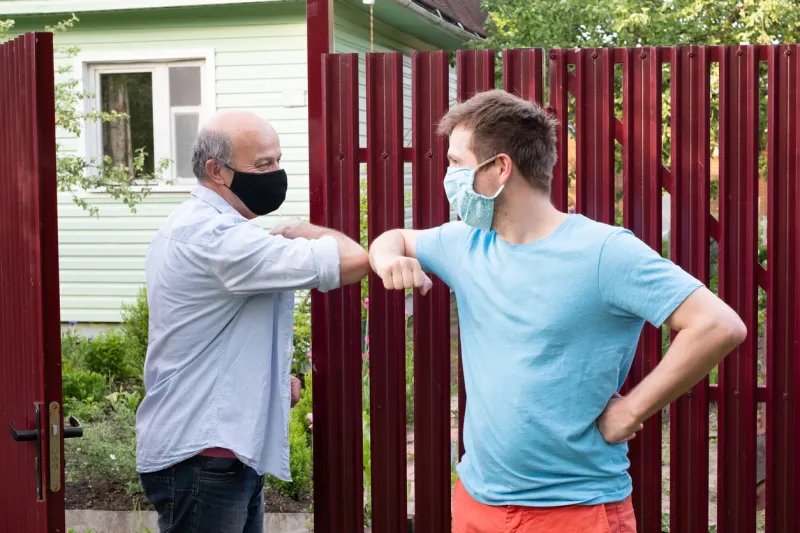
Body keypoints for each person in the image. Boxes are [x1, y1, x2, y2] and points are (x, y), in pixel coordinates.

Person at [368, 90, 746, 533]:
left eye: (456, 163)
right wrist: (388, 258)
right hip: (477, 503)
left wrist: (632, 410)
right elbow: (393, 236)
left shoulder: (604, 252)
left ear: (500, 169)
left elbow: (719, 324)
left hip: (575, 511)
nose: (448, 176)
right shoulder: (465, 243)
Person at [136, 110, 369, 533]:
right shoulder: (220, 240)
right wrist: (306, 229)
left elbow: (216, 335)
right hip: (204, 458)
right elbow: (354, 259)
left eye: (279, 161)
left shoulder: (195, 226)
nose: (277, 174)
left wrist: (274, 383)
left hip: (215, 454)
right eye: (263, 165)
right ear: (217, 171)